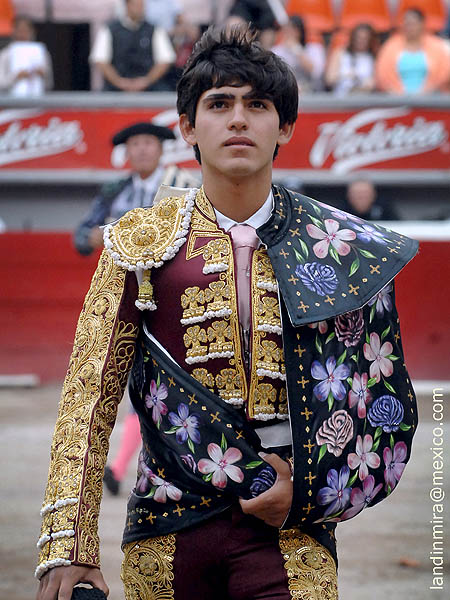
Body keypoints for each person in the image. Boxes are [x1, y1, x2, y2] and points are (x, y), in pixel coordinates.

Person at [36, 25, 419, 599]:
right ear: (188, 127)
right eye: (219, 104)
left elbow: (382, 403)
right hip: (167, 522)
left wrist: (314, 491)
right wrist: (70, 545)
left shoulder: (337, 245)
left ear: (285, 126)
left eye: (257, 105)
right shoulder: (138, 242)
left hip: (291, 530)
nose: (238, 119)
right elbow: (89, 394)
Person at [73, 121, 193, 256]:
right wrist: (94, 236)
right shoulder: (116, 189)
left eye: (148, 143)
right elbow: (81, 236)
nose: (142, 150)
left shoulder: (182, 184)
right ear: (127, 152)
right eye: (135, 144)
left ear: (161, 150)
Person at [90, 0, 176, 92]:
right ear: (127, 5)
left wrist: (146, 81)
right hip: (115, 89)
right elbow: (101, 60)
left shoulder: (154, 29)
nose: (141, 9)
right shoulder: (110, 29)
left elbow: (165, 60)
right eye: (137, 5)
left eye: (142, 6)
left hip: (150, 88)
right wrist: (119, 82)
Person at [375, 7, 450, 94]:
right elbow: (382, 73)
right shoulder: (390, 46)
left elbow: (444, 72)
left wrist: (427, 92)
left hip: (432, 98)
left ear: (422, 24)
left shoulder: (437, 46)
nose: (409, 27)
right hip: (396, 98)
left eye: (413, 23)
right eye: (406, 23)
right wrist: (398, 93)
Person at [0, 16, 53, 96]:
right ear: (13, 31)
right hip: (12, 101)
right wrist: (16, 77)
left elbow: (49, 84)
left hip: (37, 100)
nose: (23, 34)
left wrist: (42, 75)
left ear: (32, 32)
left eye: (26, 31)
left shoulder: (42, 52)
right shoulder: (5, 54)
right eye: (20, 31)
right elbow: (1, 83)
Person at [272, 14, 325, 92]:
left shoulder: (314, 48)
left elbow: (315, 72)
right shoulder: (277, 50)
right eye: (287, 30)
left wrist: (296, 49)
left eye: (293, 30)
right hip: (287, 90)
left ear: (300, 31)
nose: (289, 33)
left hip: (312, 90)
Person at [325, 23, 377, 95]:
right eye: (358, 37)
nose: (360, 41)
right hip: (340, 96)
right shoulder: (340, 53)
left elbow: (375, 83)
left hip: (363, 96)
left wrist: (367, 84)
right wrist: (345, 76)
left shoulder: (372, 57)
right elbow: (329, 79)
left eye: (365, 38)